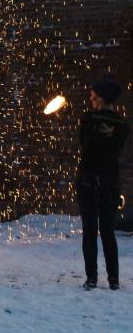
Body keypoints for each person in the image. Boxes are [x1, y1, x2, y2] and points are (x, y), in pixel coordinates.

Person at [76, 80, 129, 290]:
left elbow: (84, 144)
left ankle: (92, 278)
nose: (91, 98)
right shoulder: (123, 124)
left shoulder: (88, 118)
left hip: (88, 179)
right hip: (110, 181)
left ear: (101, 97)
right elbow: (116, 150)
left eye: (94, 95)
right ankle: (113, 279)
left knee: (90, 230)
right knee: (108, 231)